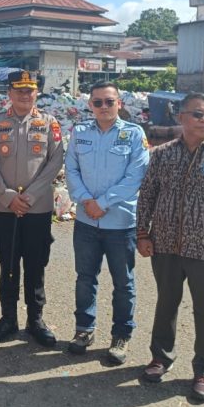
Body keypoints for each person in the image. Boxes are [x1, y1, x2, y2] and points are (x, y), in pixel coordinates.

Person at [136, 92, 204, 402]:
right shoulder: (162, 155)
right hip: (166, 244)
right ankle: (160, 358)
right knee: (166, 303)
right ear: (180, 117)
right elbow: (147, 196)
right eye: (198, 114)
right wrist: (143, 234)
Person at [65, 81, 149, 363]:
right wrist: (85, 199)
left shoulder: (134, 135)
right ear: (90, 105)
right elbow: (71, 169)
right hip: (86, 222)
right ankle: (84, 330)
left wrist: (101, 203)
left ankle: (121, 336)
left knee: (123, 283)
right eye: (98, 102)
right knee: (85, 278)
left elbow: (135, 177)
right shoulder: (80, 133)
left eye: (109, 102)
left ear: (119, 104)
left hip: (120, 223)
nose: (103, 107)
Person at [0, 70, 64, 347]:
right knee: (8, 263)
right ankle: (8, 318)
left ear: (36, 93)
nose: (25, 95)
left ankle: (35, 320)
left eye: (29, 90)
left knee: (36, 263)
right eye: (19, 90)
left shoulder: (49, 124)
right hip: (5, 209)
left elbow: (54, 162)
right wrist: (6, 196)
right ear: (9, 93)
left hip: (37, 208)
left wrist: (29, 195)